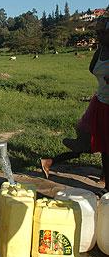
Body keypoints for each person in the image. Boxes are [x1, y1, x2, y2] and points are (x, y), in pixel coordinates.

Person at [41, 14, 109, 196]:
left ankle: (102, 176)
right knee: (101, 144)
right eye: (99, 33)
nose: (100, 36)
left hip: (102, 103)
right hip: (102, 104)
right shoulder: (100, 51)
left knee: (102, 144)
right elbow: (92, 69)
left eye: (103, 33)